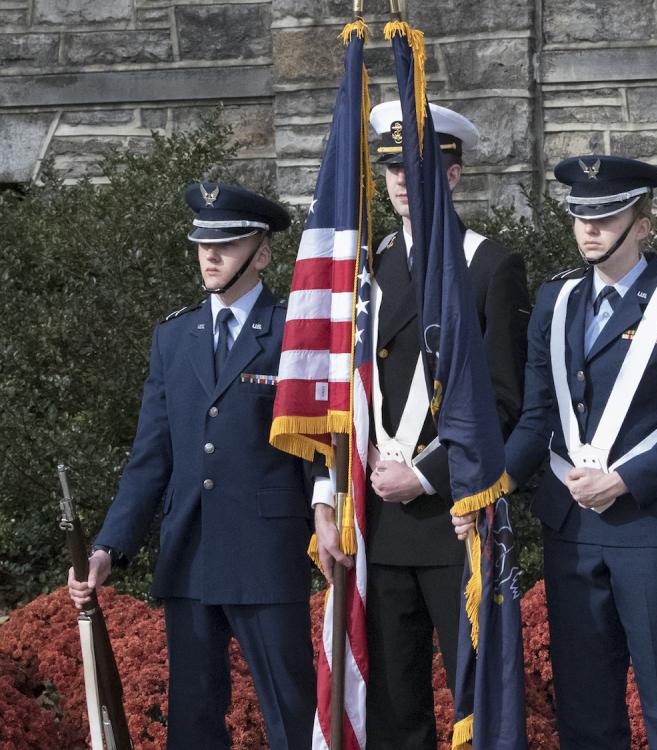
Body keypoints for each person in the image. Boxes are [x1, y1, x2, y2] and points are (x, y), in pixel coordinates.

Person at [312, 101, 530, 750]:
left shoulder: (488, 264)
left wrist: (425, 474)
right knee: (393, 706)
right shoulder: (368, 269)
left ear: (454, 175)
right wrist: (329, 495)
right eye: (392, 171)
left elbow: (502, 399)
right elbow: (343, 394)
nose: (403, 182)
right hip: (377, 520)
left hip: (452, 517)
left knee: (473, 701)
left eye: (420, 168)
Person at [67, 182, 316, 749]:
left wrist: (329, 520)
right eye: (203, 243)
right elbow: (151, 459)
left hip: (267, 551)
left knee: (292, 716)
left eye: (226, 244)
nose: (210, 255)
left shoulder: (292, 333)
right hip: (191, 556)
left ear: (263, 253)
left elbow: (316, 447)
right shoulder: (174, 337)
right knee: (194, 722)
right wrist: (109, 547)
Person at [496, 154, 657, 749]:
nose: (589, 229)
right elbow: (537, 413)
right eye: (580, 217)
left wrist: (622, 480)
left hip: (648, 525)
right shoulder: (557, 299)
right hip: (570, 524)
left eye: (606, 216)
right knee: (584, 705)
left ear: (643, 223)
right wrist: (491, 484)